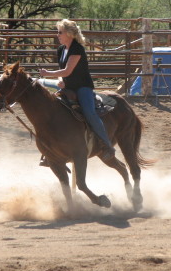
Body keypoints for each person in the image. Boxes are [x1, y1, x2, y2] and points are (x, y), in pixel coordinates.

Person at [38, 19, 116, 164]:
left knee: (89, 113)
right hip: (67, 87)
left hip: (82, 87)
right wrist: (60, 79)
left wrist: (48, 73)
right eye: (58, 32)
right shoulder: (61, 49)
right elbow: (64, 72)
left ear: (69, 34)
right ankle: (52, 151)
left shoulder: (77, 48)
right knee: (54, 112)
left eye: (60, 32)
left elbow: (67, 71)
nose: (57, 35)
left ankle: (107, 146)